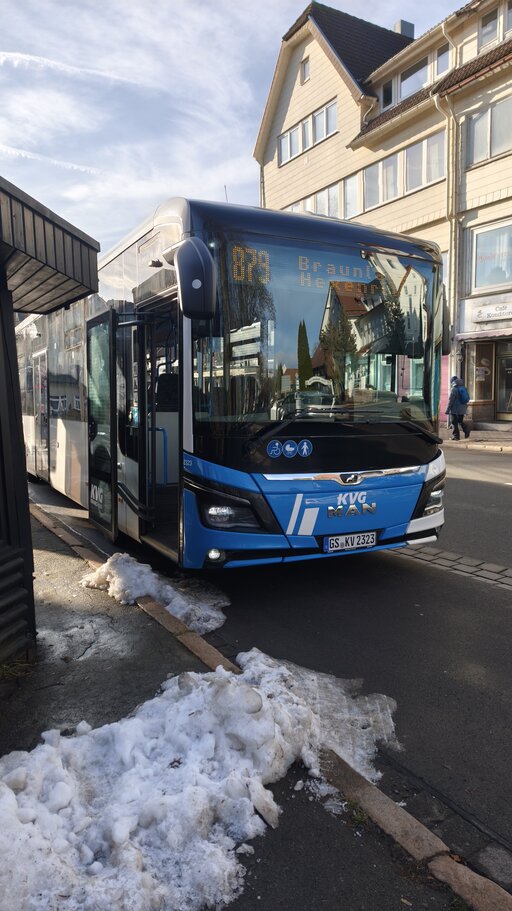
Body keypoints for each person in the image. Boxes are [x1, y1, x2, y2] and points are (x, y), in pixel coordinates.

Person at [445, 376, 470, 440]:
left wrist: (447, 410)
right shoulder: (463, 387)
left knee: (454, 422)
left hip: (455, 409)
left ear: (452, 382)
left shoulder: (454, 389)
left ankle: (456, 436)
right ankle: (466, 430)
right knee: (460, 421)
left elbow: (451, 401)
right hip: (462, 409)